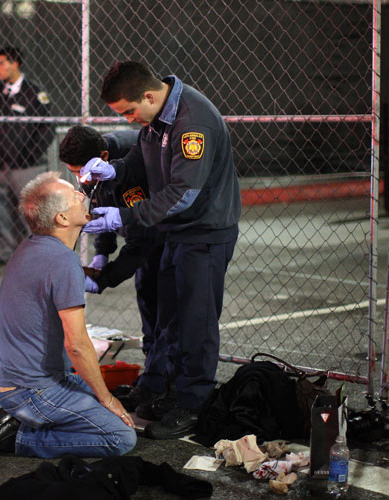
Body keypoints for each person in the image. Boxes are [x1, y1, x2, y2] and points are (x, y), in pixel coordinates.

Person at [80, 61, 241, 439]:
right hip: (178, 232)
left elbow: (182, 193)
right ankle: (168, 388)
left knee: (196, 322)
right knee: (171, 316)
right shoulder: (157, 119)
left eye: (129, 111)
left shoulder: (191, 122)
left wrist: (121, 217)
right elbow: (141, 158)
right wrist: (116, 171)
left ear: (149, 96)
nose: (130, 119)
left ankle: (194, 401)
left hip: (203, 233)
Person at [0, 171, 137, 458]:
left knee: (109, 410)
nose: (82, 194)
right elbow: (76, 345)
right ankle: (17, 437)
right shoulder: (62, 260)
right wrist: (107, 398)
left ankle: (16, 418)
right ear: (62, 219)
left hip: (24, 382)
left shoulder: (33, 246)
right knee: (121, 436)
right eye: (74, 196)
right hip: (32, 388)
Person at [59, 125, 170, 421]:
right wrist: (101, 254)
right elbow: (100, 208)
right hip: (144, 237)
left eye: (80, 172)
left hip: (170, 240)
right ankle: (152, 382)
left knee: (168, 313)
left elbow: (143, 239)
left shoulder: (138, 165)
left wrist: (106, 278)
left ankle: (168, 389)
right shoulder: (92, 168)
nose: (79, 179)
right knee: (149, 306)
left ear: (104, 158)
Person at [0, 46, 54, 267]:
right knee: (4, 210)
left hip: (26, 166)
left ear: (15, 64)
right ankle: (8, 251)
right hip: (1, 166)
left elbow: (47, 129)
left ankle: (34, 254)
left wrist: (28, 155)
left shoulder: (34, 93)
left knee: (30, 212)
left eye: (2, 63)